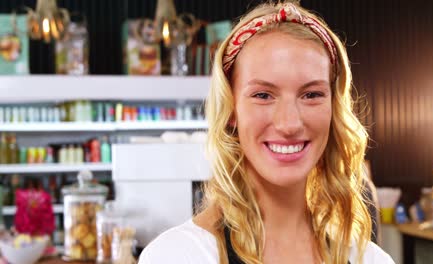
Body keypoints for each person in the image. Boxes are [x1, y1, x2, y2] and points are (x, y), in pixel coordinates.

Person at [139, 1, 394, 263]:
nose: (289, 124)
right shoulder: (177, 256)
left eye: (312, 94)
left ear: (333, 109)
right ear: (231, 111)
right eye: (263, 95)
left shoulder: (373, 260)